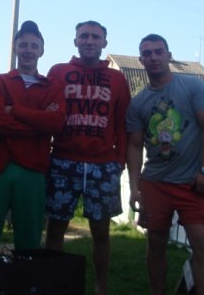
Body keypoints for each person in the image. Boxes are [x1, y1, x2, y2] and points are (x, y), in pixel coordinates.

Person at [126, 34, 204, 295]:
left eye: (158, 51)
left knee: (203, 246)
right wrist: (134, 187)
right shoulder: (138, 103)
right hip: (155, 183)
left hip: (192, 183)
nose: (153, 57)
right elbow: (134, 146)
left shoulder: (192, 86)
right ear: (141, 60)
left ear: (168, 55)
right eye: (147, 53)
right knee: (156, 244)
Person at [45, 20, 131, 295]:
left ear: (104, 43)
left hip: (102, 165)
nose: (89, 41)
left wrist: (119, 161)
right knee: (56, 227)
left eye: (95, 37)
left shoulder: (117, 79)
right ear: (75, 41)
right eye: (84, 36)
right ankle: (54, 284)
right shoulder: (58, 72)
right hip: (63, 161)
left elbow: (122, 124)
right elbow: (47, 114)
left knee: (101, 231)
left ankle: (100, 286)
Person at [0, 20, 66, 250]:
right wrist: (39, 123)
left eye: (34, 46)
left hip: (33, 168)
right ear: (15, 48)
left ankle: (27, 272)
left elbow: (55, 123)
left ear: (42, 51)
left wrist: (13, 110)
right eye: (23, 45)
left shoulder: (52, 86)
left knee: (29, 236)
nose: (28, 50)